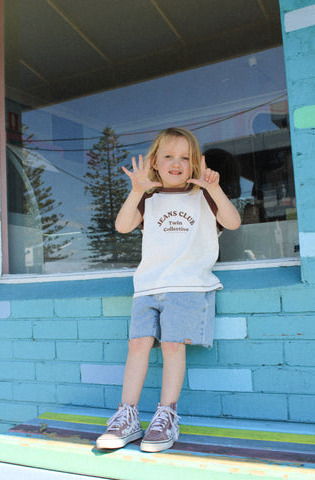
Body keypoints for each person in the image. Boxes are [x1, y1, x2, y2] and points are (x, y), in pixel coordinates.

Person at [96, 127, 241, 453]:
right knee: (137, 345)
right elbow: (122, 226)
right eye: (168, 156)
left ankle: (166, 416)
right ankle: (127, 417)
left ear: (195, 163)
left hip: (188, 286)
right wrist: (136, 190)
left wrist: (214, 188)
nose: (177, 163)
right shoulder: (148, 197)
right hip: (148, 286)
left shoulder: (202, 195)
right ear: (154, 162)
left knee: (173, 346)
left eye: (185, 157)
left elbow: (232, 222)